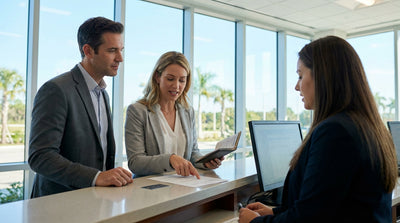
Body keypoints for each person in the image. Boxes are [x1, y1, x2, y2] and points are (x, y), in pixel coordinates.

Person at [239, 36, 398, 223]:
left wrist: (253, 222)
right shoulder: (367, 126)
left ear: (323, 76)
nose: (296, 86)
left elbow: (309, 218)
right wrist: (275, 213)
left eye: (300, 75)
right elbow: (328, 205)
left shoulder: (335, 131)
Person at [28, 17, 133, 198]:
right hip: (58, 204)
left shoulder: (103, 93)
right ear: (88, 51)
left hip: (95, 201)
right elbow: (41, 156)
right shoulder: (56, 89)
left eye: (121, 50)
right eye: (112, 50)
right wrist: (96, 177)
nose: (120, 58)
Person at [125, 51, 223, 178]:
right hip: (151, 189)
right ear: (157, 77)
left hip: (184, 186)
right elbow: (135, 162)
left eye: (182, 80)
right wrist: (170, 159)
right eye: (170, 79)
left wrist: (205, 162)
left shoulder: (188, 112)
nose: (176, 86)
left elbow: (193, 153)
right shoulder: (138, 111)